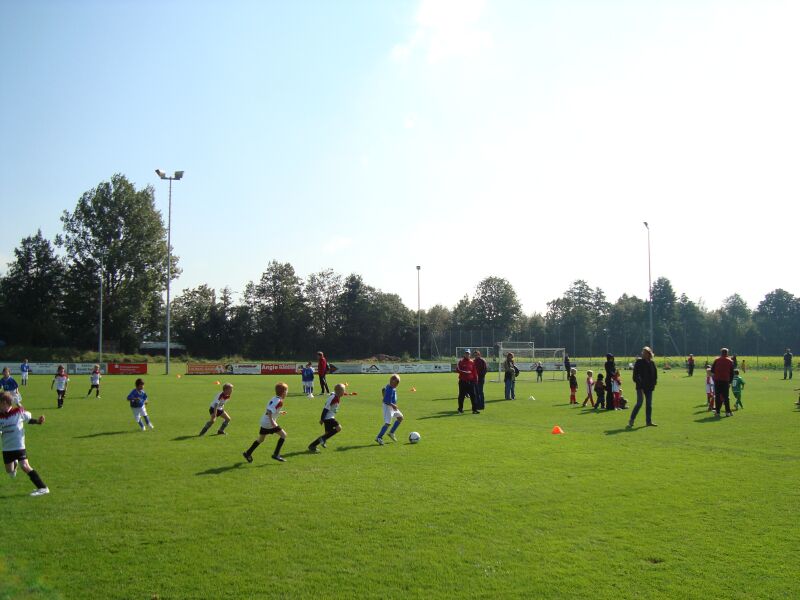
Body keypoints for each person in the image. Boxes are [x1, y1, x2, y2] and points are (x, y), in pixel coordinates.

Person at [0, 392, 49, 496]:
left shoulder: (18, 412)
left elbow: (28, 419)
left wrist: (38, 421)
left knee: (25, 466)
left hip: (19, 446)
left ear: (4, 403)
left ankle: (43, 488)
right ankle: (15, 463)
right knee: (10, 472)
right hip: (6, 447)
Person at [243, 382, 289, 463]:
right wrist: (272, 422)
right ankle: (276, 454)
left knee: (261, 439)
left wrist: (280, 412)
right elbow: (269, 411)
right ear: (283, 392)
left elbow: (271, 409)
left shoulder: (274, 398)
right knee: (283, 435)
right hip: (269, 423)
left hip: (264, 421)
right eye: (286, 391)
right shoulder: (279, 401)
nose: (287, 392)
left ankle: (248, 453)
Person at [308, 383, 346, 452]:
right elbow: (325, 409)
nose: (344, 392)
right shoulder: (333, 398)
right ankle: (322, 439)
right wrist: (322, 419)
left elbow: (336, 392)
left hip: (329, 417)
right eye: (344, 391)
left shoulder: (336, 396)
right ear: (339, 391)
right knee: (339, 428)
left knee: (327, 434)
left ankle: (312, 445)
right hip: (329, 418)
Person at [628, 346, 657, 428]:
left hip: (649, 387)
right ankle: (631, 420)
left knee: (649, 405)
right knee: (639, 403)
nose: (643, 354)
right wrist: (639, 384)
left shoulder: (652, 363)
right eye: (643, 352)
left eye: (645, 353)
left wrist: (654, 383)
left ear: (649, 354)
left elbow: (655, 375)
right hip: (640, 387)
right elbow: (635, 375)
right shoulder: (639, 362)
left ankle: (648, 422)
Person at [375, 374, 403, 445]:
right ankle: (379, 437)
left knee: (400, 418)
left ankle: (391, 433)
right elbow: (386, 401)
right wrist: (393, 405)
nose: (397, 385)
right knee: (388, 423)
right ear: (391, 381)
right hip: (388, 407)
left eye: (398, 383)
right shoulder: (390, 389)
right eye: (396, 383)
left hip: (392, 406)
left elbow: (384, 390)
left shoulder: (392, 387)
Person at [711, 347, 735, 417]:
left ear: (721, 353)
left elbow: (712, 371)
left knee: (717, 396)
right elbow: (732, 373)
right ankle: (727, 412)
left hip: (717, 381)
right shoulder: (730, 361)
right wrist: (730, 382)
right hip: (725, 381)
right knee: (726, 397)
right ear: (727, 353)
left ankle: (717, 412)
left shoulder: (716, 360)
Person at [456, 350, 479, 414]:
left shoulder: (472, 362)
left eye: (468, 354)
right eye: (466, 353)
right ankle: (460, 409)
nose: (467, 355)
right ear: (464, 354)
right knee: (461, 396)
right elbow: (457, 369)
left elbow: (474, 372)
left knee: (473, 396)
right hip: (463, 382)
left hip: (471, 382)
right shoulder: (461, 361)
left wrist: (475, 380)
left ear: (470, 354)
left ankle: (474, 410)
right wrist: (465, 372)